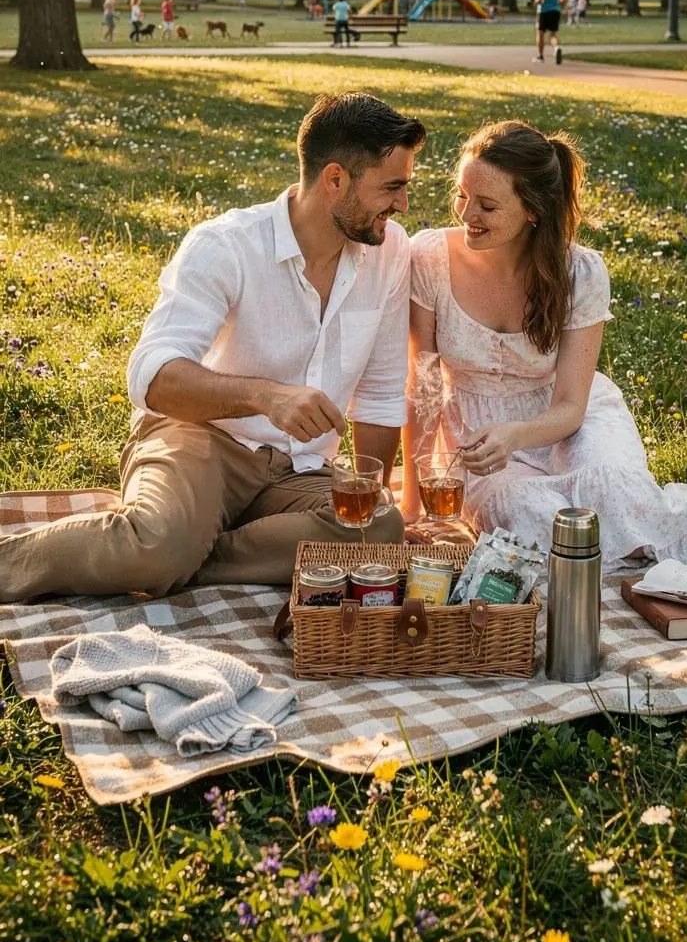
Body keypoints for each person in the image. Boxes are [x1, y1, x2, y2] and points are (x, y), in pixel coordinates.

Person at [0, 93, 427, 603]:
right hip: (200, 439)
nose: (402, 204)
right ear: (335, 181)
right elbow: (152, 378)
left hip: (300, 468)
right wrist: (266, 396)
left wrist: (366, 489)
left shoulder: (390, 249)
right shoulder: (225, 245)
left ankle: (191, 558)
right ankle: (56, 562)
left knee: (377, 528)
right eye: (392, 187)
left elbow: (379, 392)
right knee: (154, 543)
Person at [401, 121, 687, 564]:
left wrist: (515, 434)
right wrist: (411, 504)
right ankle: (647, 529)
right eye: (462, 196)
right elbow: (422, 388)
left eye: (486, 205)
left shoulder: (579, 273)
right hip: (478, 435)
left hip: (560, 420)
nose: (466, 215)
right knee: (517, 511)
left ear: (533, 211)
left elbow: (570, 407)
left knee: (613, 489)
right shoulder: (430, 257)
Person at [534, 0, 567, 64]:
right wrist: (559, 2)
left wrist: (535, 2)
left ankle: (540, 56)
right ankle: (556, 48)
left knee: (540, 34)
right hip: (555, 11)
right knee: (553, 33)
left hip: (544, 11)